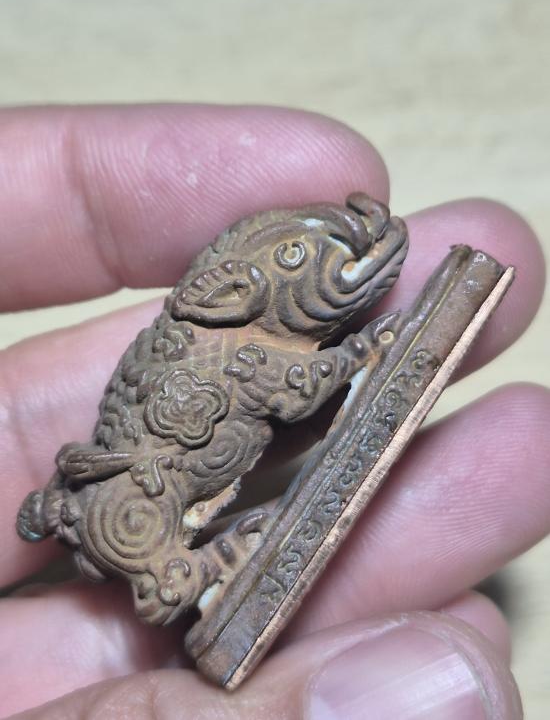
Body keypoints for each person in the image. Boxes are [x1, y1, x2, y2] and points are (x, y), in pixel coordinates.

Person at [1, 104, 547, 719]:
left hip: (125, 489)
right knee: (149, 545)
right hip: (129, 505)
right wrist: (359, 352)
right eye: (292, 261)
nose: (318, 265)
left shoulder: (236, 343)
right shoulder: (245, 354)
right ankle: (186, 578)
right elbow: (297, 389)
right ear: (235, 297)